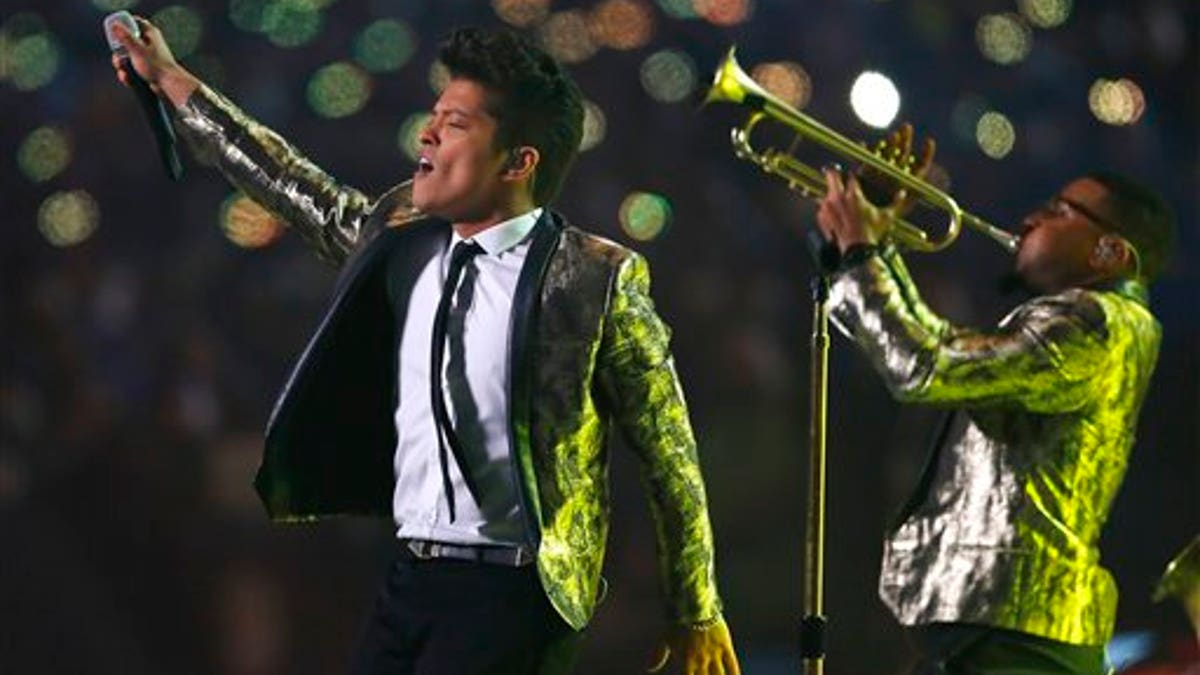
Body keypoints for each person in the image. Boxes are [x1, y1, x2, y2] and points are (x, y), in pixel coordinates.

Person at [110, 18, 739, 675]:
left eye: (457, 123)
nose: (428, 133)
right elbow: (288, 181)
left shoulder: (594, 279)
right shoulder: (400, 238)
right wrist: (174, 81)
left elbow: (668, 449)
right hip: (409, 575)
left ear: (520, 161)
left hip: (515, 592)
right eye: (435, 114)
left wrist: (695, 607)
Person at [813, 133, 1176, 675]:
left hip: (1016, 640)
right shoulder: (1093, 322)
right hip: (997, 634)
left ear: (1110, 252)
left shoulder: (1095, 324)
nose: (1030, 218)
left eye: (1058, 211)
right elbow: (936, 351)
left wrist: (865, 251)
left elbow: (925, 365)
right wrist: (867, 249)